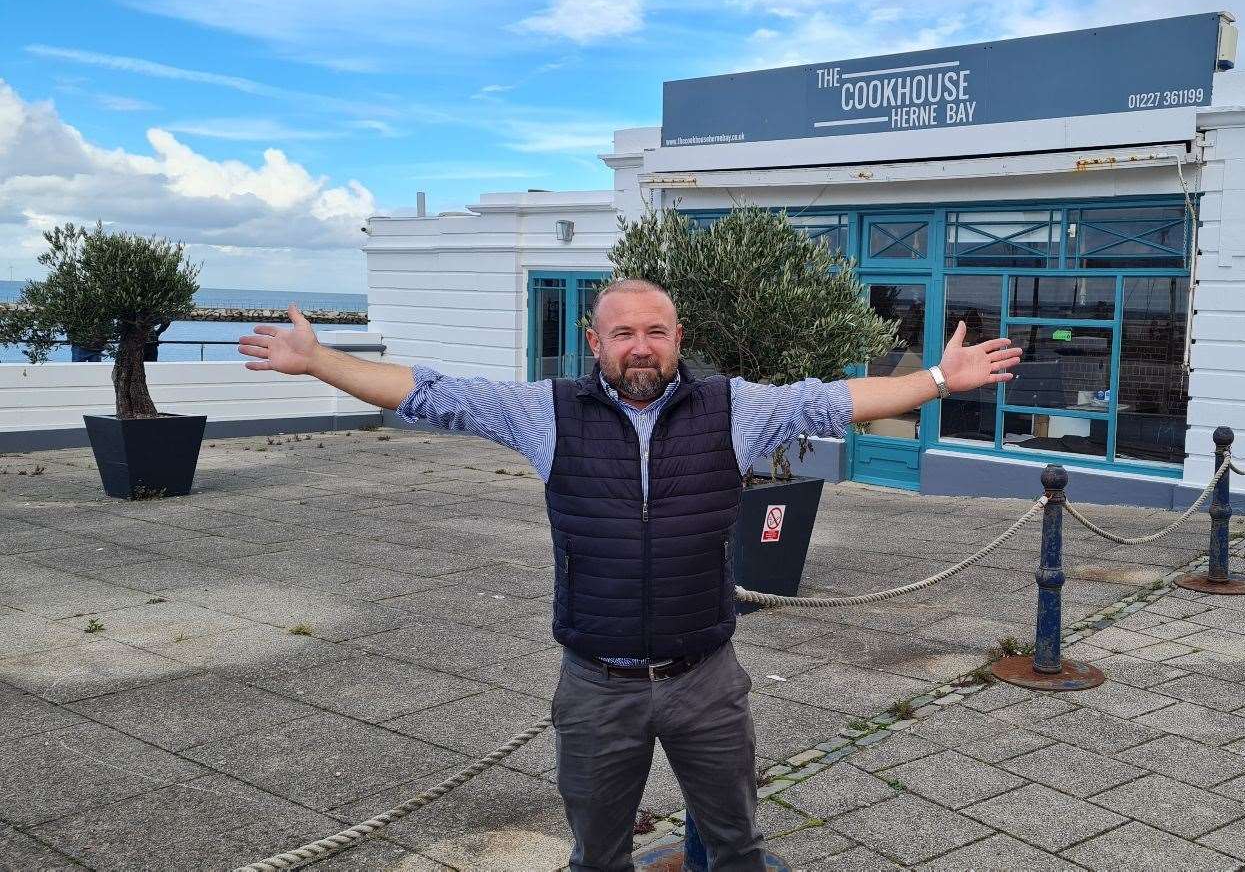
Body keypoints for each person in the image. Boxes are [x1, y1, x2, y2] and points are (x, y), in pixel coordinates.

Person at [237, 279, 1020, 871]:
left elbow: (832, 401)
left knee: (737, 845)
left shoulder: (733, 410)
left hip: (706, 679)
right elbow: (434, 396)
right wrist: (318, 362)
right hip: (596, 684)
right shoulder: (546, 411)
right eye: (622, 335)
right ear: (594, 340)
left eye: (654, 332)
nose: (639, 347)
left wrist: (941, 382)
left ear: (679, 337)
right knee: (597, 855)